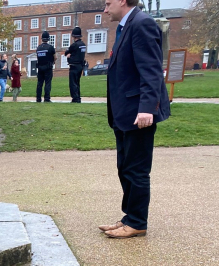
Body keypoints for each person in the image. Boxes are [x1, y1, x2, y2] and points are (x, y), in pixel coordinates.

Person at [100, 0, 170, 238]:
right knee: (125, 167)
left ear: (122, 0)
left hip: (139, 113)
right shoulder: (126, 26)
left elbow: (151, 70)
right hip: (124, 113)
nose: (105, 9)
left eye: (108, 3)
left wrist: (147, 108)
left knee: (137, 170)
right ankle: (129, 217)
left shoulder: (142, 24)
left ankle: (138, 222)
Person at [66, 27, 87, 103]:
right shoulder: (83, 45)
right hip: (80, 65)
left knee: (73, 83)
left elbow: (66, 52)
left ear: (74, 36)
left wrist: (69, 55)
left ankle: (75, 98)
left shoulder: (74, 45)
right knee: (77, 82)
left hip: (74, 65)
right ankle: (78, 97)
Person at [35, 31, 56, 102]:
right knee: (47, 83)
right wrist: (53, 61)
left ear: (42, 39)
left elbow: (38, 57)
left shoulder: (38, 48)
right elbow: (55, 57)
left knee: (39, 83)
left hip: (40, 67)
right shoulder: (50, 47)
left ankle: (38, 98)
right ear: (48, 39)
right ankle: (47, 98)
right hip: (48, 67)